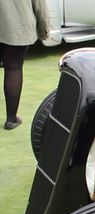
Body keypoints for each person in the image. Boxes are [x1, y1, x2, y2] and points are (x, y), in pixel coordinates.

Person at [0, 0, 48, 130]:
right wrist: (43, 28)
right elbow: (39, 4)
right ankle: (11, 119)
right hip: (17, 21)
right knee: (13, 68)